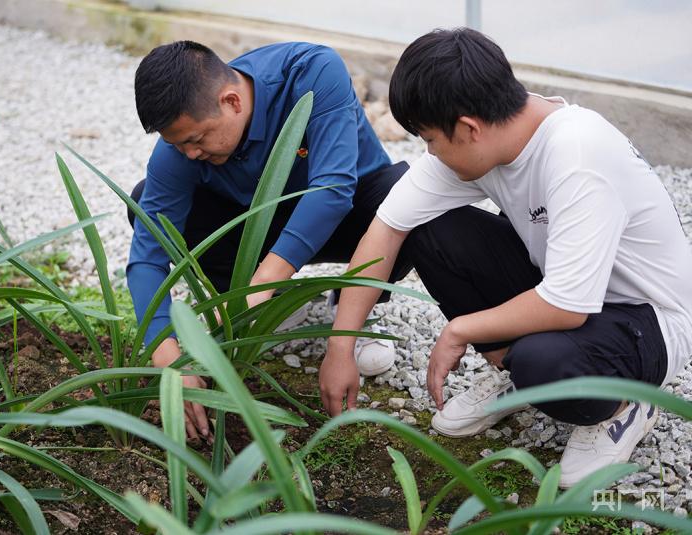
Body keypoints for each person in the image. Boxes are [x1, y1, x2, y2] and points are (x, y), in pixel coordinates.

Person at [319, 28, 692, 488]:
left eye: (431, 140)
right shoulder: (491, 140)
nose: (428, 152)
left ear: (468, 127)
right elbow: (388, 227)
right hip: (560, 292)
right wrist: (340, 347)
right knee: (428, 229)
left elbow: (567, 306)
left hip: (645, 320)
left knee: (543, 360)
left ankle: (622, 405)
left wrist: (460, 329)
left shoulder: (577, 153)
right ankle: (513, 373)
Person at [128, 40, 413, 442]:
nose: (189, 153)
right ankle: (267, 310)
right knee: (143, 203)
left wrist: (264, 280)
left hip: (349, 214)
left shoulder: (311, 72)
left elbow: (332, 189)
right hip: (258, 229)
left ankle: (353, 305)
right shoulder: (181, 148)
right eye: (179, 145)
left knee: (404, 198)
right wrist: (168, 356)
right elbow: (146, 258)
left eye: (197, 139)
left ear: (231, 101)